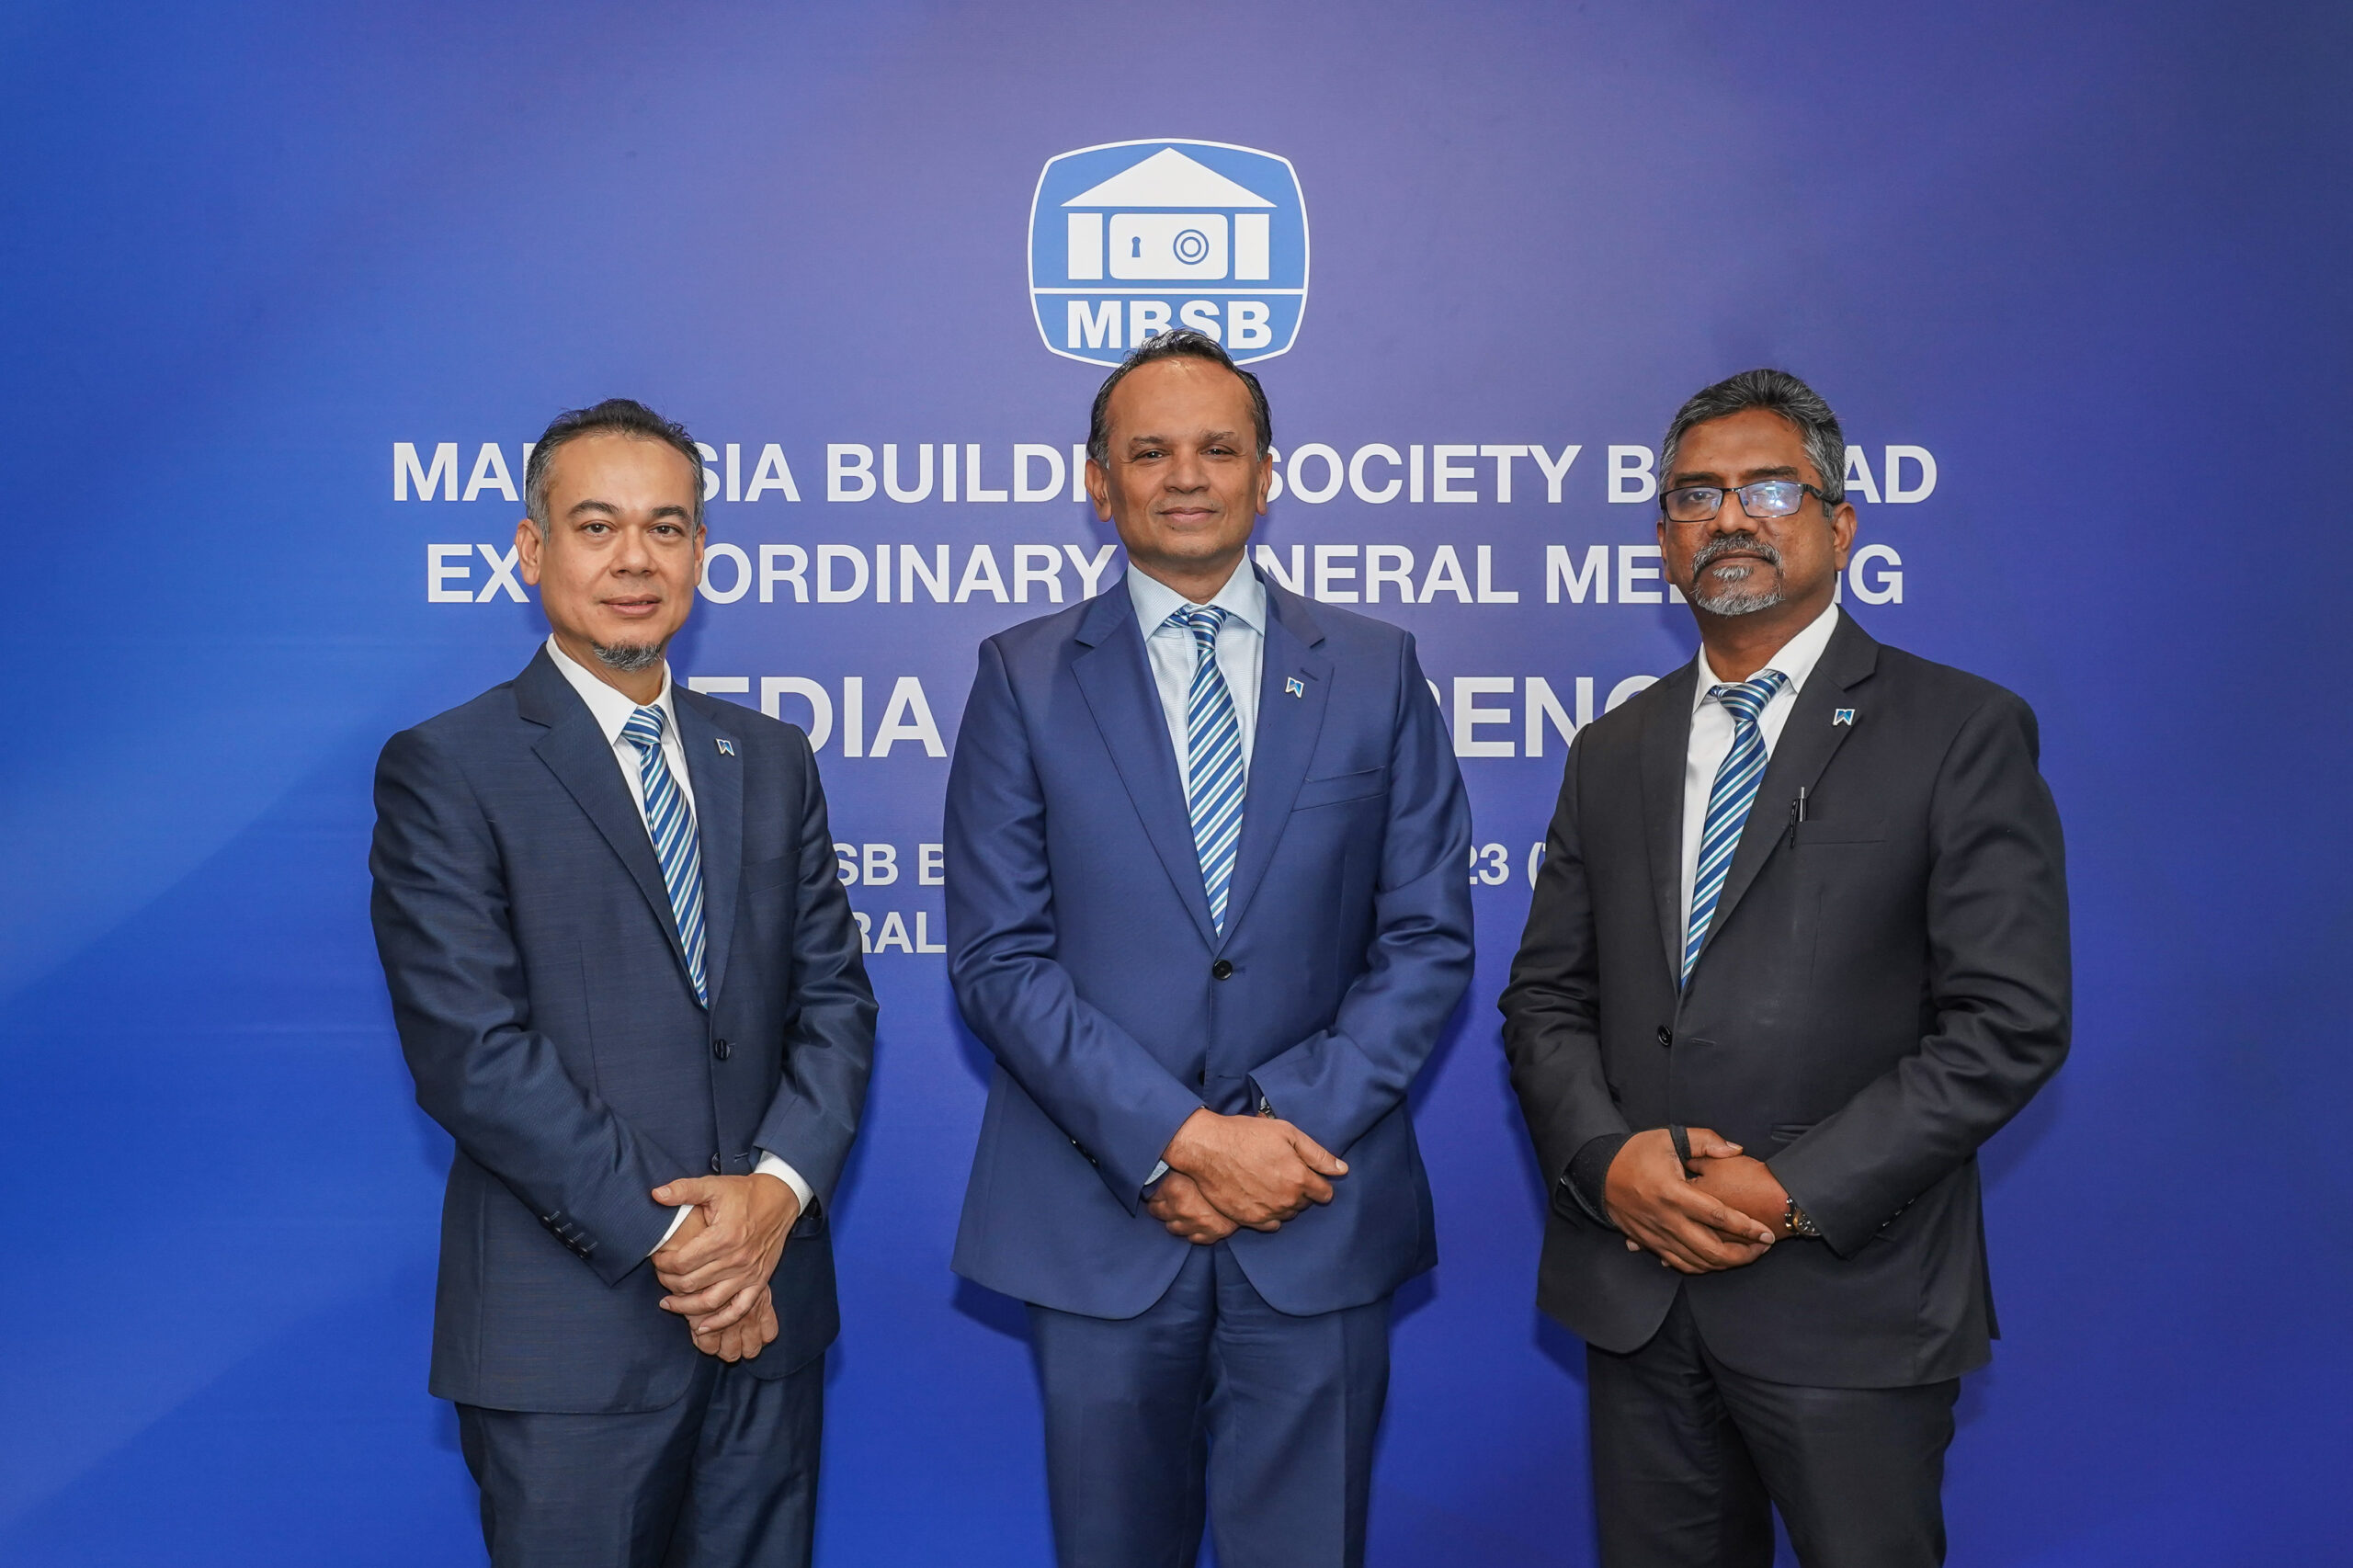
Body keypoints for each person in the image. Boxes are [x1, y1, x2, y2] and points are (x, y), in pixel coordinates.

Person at [1499, 369, 2069, 1568]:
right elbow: (1546, 997)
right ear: (1664, 539)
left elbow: (2007, 1021)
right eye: (1694, 495)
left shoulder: (1959, 729)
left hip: (1847, 1300)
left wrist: (1793, 1187)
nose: (1729, 517)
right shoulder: (1612, 748)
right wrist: (1607, 1162)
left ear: (1839, 523)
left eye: (1767, 488)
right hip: (1638, 1292)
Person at [944, 329, 1474, 1568]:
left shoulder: (1377, 670)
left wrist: (1274, 1134)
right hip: (1098, 1217)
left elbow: (1425, 937)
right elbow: (1000, 958)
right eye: (1150, 452)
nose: (1186, 476)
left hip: (1315, 1207)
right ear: (1100, 483)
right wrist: (1179, 1139)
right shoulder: (1019, 677)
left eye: (1218, 448)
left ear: (1266, 474)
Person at [369, 399, 875, 1568]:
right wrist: (692, 1242)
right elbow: (472, 1052)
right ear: (531, 547)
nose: (635, 559)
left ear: (700, 552)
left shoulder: (772, 757)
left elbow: (836, 1005)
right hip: (569, 1347)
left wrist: (773, 1197)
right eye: (597, 526)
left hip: (770, 1322)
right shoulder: (448, 766)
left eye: (667, 526)